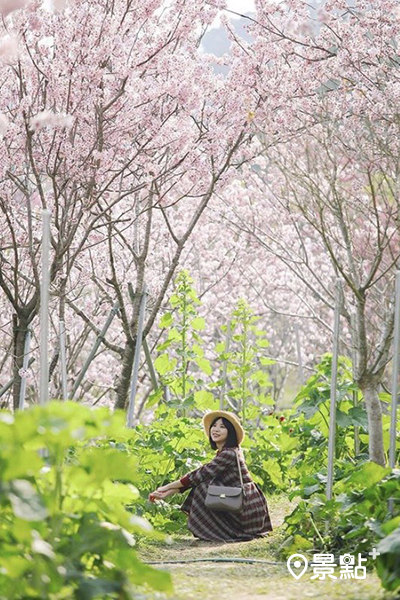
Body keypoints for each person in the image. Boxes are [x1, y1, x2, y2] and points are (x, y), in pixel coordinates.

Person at [149, 410, 273, 542]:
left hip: (246, 508)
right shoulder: (227, 451)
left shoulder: (229, 454)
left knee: (203, 487)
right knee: (204, 484)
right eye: (214, 426)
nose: (216, 430)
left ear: (230, 432)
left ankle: (225, 532)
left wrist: (165, 488)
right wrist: (170, 491)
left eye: (222, 427)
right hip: (243, 503)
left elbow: (199, 475)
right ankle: (221, 531)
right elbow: (203, 475)